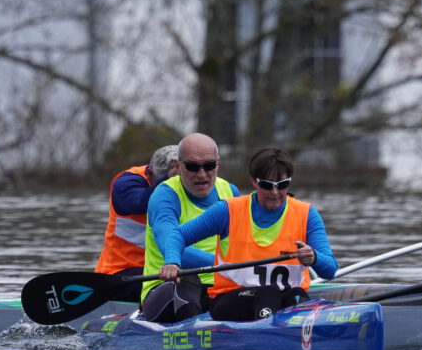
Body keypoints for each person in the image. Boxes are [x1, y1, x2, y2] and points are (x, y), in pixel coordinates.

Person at [158, 146, 337, 321]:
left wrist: (314, 258)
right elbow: (178, 236)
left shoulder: (307, 214)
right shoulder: (227, 211)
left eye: (282, 185)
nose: (275, 193)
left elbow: (330, 269)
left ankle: (290, 331)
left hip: (281, 297)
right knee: (268, 292)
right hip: (229, 300)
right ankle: (266, 335)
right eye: (267, 185)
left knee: (296, 294)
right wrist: (172, 262)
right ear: (254, 181)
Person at [139, 133, 240, 323]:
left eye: (209, 166)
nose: (201, 174)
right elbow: (170, 245)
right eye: (193, 167)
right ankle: (195, 335)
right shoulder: (165, 196)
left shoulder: (230, 192)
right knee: (188, 280)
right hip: (168, 287)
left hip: (217, 289)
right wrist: (226, 264)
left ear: (218, 163)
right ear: (178, 166)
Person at [94, 144, 179, 277]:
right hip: (122, 271)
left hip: (167, 267)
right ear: (149, 173)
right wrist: (169, 180)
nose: (176, 187)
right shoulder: (125, 183)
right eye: (171, 183)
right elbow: (141, 202)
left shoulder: (198, 183)